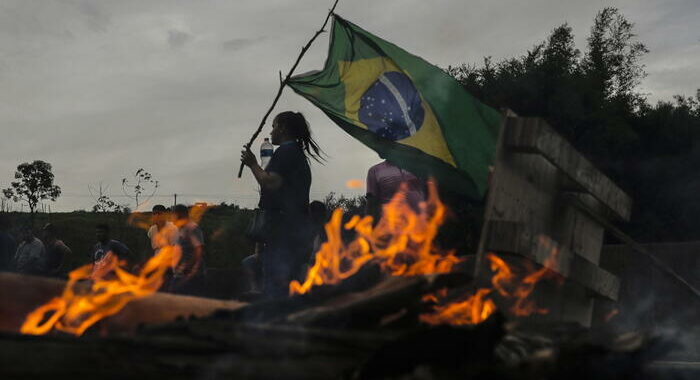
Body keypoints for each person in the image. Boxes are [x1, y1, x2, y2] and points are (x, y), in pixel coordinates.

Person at [240, 111, 322, 298]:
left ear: (283, 128)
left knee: (277, 284)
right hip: (293, 229)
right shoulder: (296, 154)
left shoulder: (286, 152)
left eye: (274, 125)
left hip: (283, 230)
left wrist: (252, 163)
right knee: (289, 283)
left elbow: (270, 182)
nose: (273, 130)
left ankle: (277, 320)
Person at [169, 204, 205, 294]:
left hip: (190, 275)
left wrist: (188, 267)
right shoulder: (179, 230)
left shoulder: (192, 228)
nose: (171, 217)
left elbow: (199, 250)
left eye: (173, 214)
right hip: (179, 274)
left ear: (181, 215)